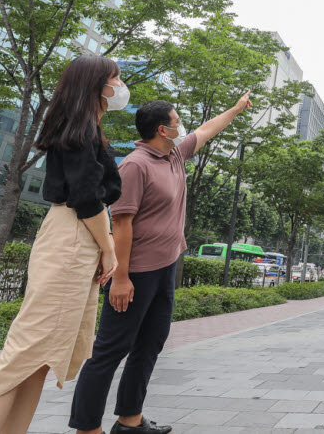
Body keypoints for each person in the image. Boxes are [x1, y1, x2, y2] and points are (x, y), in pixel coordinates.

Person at [0, 56, 127, 434]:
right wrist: (110, 248)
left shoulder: (84, 127)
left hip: (77, 235)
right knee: (21, 358)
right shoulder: (81, 129)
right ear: (97, 84)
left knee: (38, 360)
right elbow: (86, 199)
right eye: (116, 78)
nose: (120, 86)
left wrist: (102, 246)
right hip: (73, 234)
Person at [69, 93, 253, 434]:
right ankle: (86, 427)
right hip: (135, 272)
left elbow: (207, 130)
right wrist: (120, 278)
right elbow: (121, 224)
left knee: (150, 343)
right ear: (162, 130)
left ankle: (130, 420)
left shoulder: (175, 156)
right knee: (110, 350)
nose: (181, 126)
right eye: (176, 122)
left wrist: (237, 108)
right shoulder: (136, 165)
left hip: (166, 266)